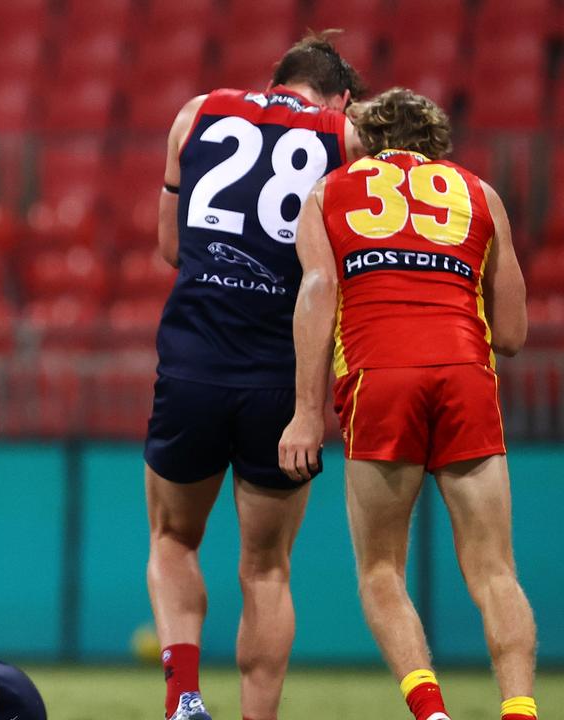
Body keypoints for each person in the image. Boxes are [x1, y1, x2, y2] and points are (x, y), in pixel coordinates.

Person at [279, 88, 537, 720]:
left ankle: (432, 713)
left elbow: (317, 292)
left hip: (380, 378)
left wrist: (306, 412)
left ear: (367, 139)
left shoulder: (328, 191)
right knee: (495, 570)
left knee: (380, 569)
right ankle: (521, 711)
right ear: (435, 140)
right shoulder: (481, 193)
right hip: (464, 375)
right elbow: (511, 336)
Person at [145, 31, 366, 720]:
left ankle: (184, 698)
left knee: (174, 539)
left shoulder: (198, 110)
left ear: (277, 78)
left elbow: (168, 247)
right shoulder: (347, 136)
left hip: (193, 364)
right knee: (266, 568)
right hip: (281, 375)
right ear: (342, 96)